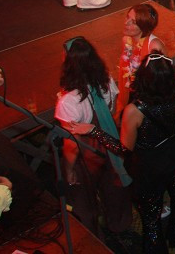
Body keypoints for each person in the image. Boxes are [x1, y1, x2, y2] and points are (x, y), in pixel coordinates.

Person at [69, 52, 175, 253]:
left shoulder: (134, 110)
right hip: (174, 160)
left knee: (151, 219)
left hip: (149, 169)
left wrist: (93, 130)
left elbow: (124, 148)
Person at [54, 37, 133, 237]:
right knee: (114, 189)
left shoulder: (69, 101)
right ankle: (120, 226)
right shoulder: (105, 81)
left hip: (87, 153)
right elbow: (113, 109)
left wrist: (70, 169)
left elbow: (71, 144)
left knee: (84, 198)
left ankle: (90, 237)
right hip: (109, 144)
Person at [116, 3, 166, 116]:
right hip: (131, 94)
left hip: (149, 102)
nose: (126, 23)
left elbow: (162, 84)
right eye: (127, 17)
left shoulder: (153, 47)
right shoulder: (126, 40)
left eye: (133, 22)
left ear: (144, 27)